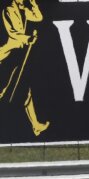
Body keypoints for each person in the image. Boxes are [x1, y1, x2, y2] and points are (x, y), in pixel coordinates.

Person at [0, 0, 49, 136]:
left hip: (18, 54)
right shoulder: (9, 9)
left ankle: (35, 125)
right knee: (2, 88)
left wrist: (34, 3)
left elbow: (38, 17)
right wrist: (28, 39)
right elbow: (13, 34)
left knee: (26, 90)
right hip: (6, 55)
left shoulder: (23, 9)